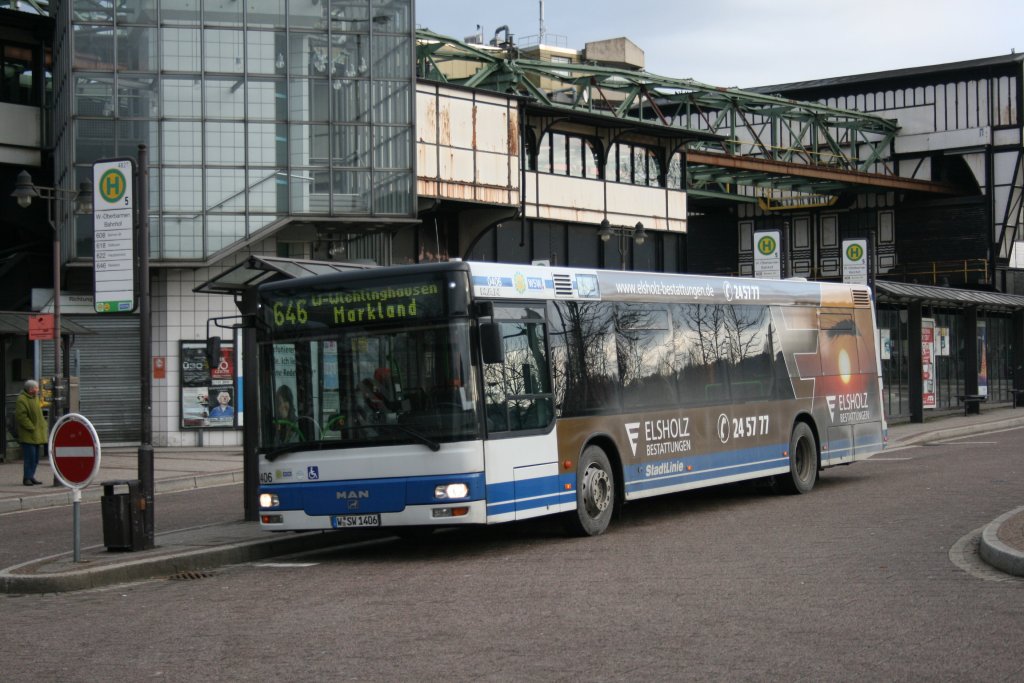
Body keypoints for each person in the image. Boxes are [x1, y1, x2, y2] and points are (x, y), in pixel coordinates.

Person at [15, 379, 47, 486]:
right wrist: (32, 427)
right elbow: (21, 416)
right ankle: (27, 478)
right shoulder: (22, 399)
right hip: (28, 434)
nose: (38, 390)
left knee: (36, 458)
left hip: (36, 433)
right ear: (30, 389)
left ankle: (31, 476)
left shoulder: (35, 398)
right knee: (30, 457)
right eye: (36, 388)